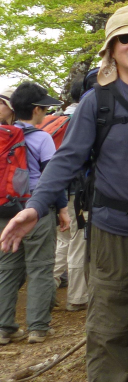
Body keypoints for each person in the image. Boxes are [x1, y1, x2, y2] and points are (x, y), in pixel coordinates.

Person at [1, 5, 128, 382]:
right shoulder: (96, 102)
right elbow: (67, 161)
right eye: (124, 38)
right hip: (115, 230)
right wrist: (36, 206)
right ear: (111, 49)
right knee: (111, 331)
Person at [0, 82, 62, 344]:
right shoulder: (42, 137)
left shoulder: (4, 135)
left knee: (7, 268)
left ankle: (4, 328)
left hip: (5, 210)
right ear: (36, 110)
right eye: (45, 109)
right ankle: (38, 327)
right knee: (40, 267)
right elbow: (53, 178)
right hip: (35, 209)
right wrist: (62, 209)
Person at [52, 75, 88, 311]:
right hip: (76, 193)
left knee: (62, 241)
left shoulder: (53, 120)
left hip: (54, 192)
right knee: (77, 242)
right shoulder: (85, 118)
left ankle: (46, 289)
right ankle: (77, 297)